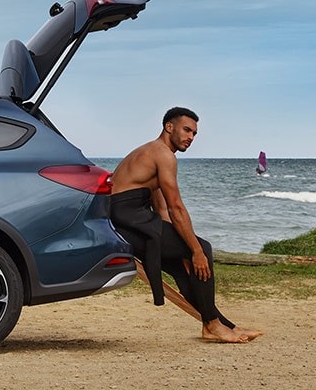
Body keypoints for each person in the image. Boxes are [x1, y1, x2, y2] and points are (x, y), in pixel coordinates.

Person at [110, 107, 263, 344]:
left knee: (185, 267)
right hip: (128, 222)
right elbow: (176, 208)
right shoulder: (163, 154)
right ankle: (213, 325)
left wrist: (181, 246)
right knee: (204, 249)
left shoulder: (153, 152)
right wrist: (196, 250)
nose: (191, 137)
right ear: (169, 127)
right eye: (187, 130)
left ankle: (221, 324)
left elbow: (162, 211)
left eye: (194, 134)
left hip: (132, 219)